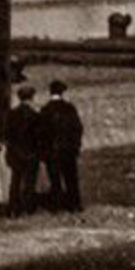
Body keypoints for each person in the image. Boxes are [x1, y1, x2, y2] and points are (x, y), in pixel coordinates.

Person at [38, 79, 86, 213]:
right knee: (71, 178)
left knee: (55, 180)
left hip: (52, 151)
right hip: (68, 150)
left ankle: (56, 206)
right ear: (62, 92)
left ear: (50, 92)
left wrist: (43, 151)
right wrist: (76, 146)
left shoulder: (45, 110)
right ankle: (75, 205)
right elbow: (77, 128)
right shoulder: (69, 109)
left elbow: (40, 133)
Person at [1, 83, 44, 216]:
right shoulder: (35, 116)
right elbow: (39, 136)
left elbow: (7, 134)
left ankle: (13, 208)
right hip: (31, 153)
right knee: (29, 182)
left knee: (15, 181)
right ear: (31, 98)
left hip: (15, 153)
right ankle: (28, 208)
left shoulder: (11, 114)